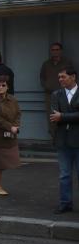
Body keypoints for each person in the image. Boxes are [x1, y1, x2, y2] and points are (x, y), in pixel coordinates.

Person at [50, 67, 79, 214]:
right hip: (62, 141)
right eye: (59, 77)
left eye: (63, 77)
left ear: (73, 77)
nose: (60, 79)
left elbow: (60, 116)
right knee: (64, 175)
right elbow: (54, 116)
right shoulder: (56, 94)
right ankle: (65, 203)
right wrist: (67, 116)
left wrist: (63, 116)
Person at [41, 43, 73, 131]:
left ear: (61, 51)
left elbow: (73, 76)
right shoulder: (46, 64)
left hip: (65, 94)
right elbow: (42, 77)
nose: (55, 52)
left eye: (57, 49)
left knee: (65, 116)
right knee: (52, 117)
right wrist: (46, 86)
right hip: (50, 95)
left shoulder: (67, 62)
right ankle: (54, 140)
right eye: (53, 50)